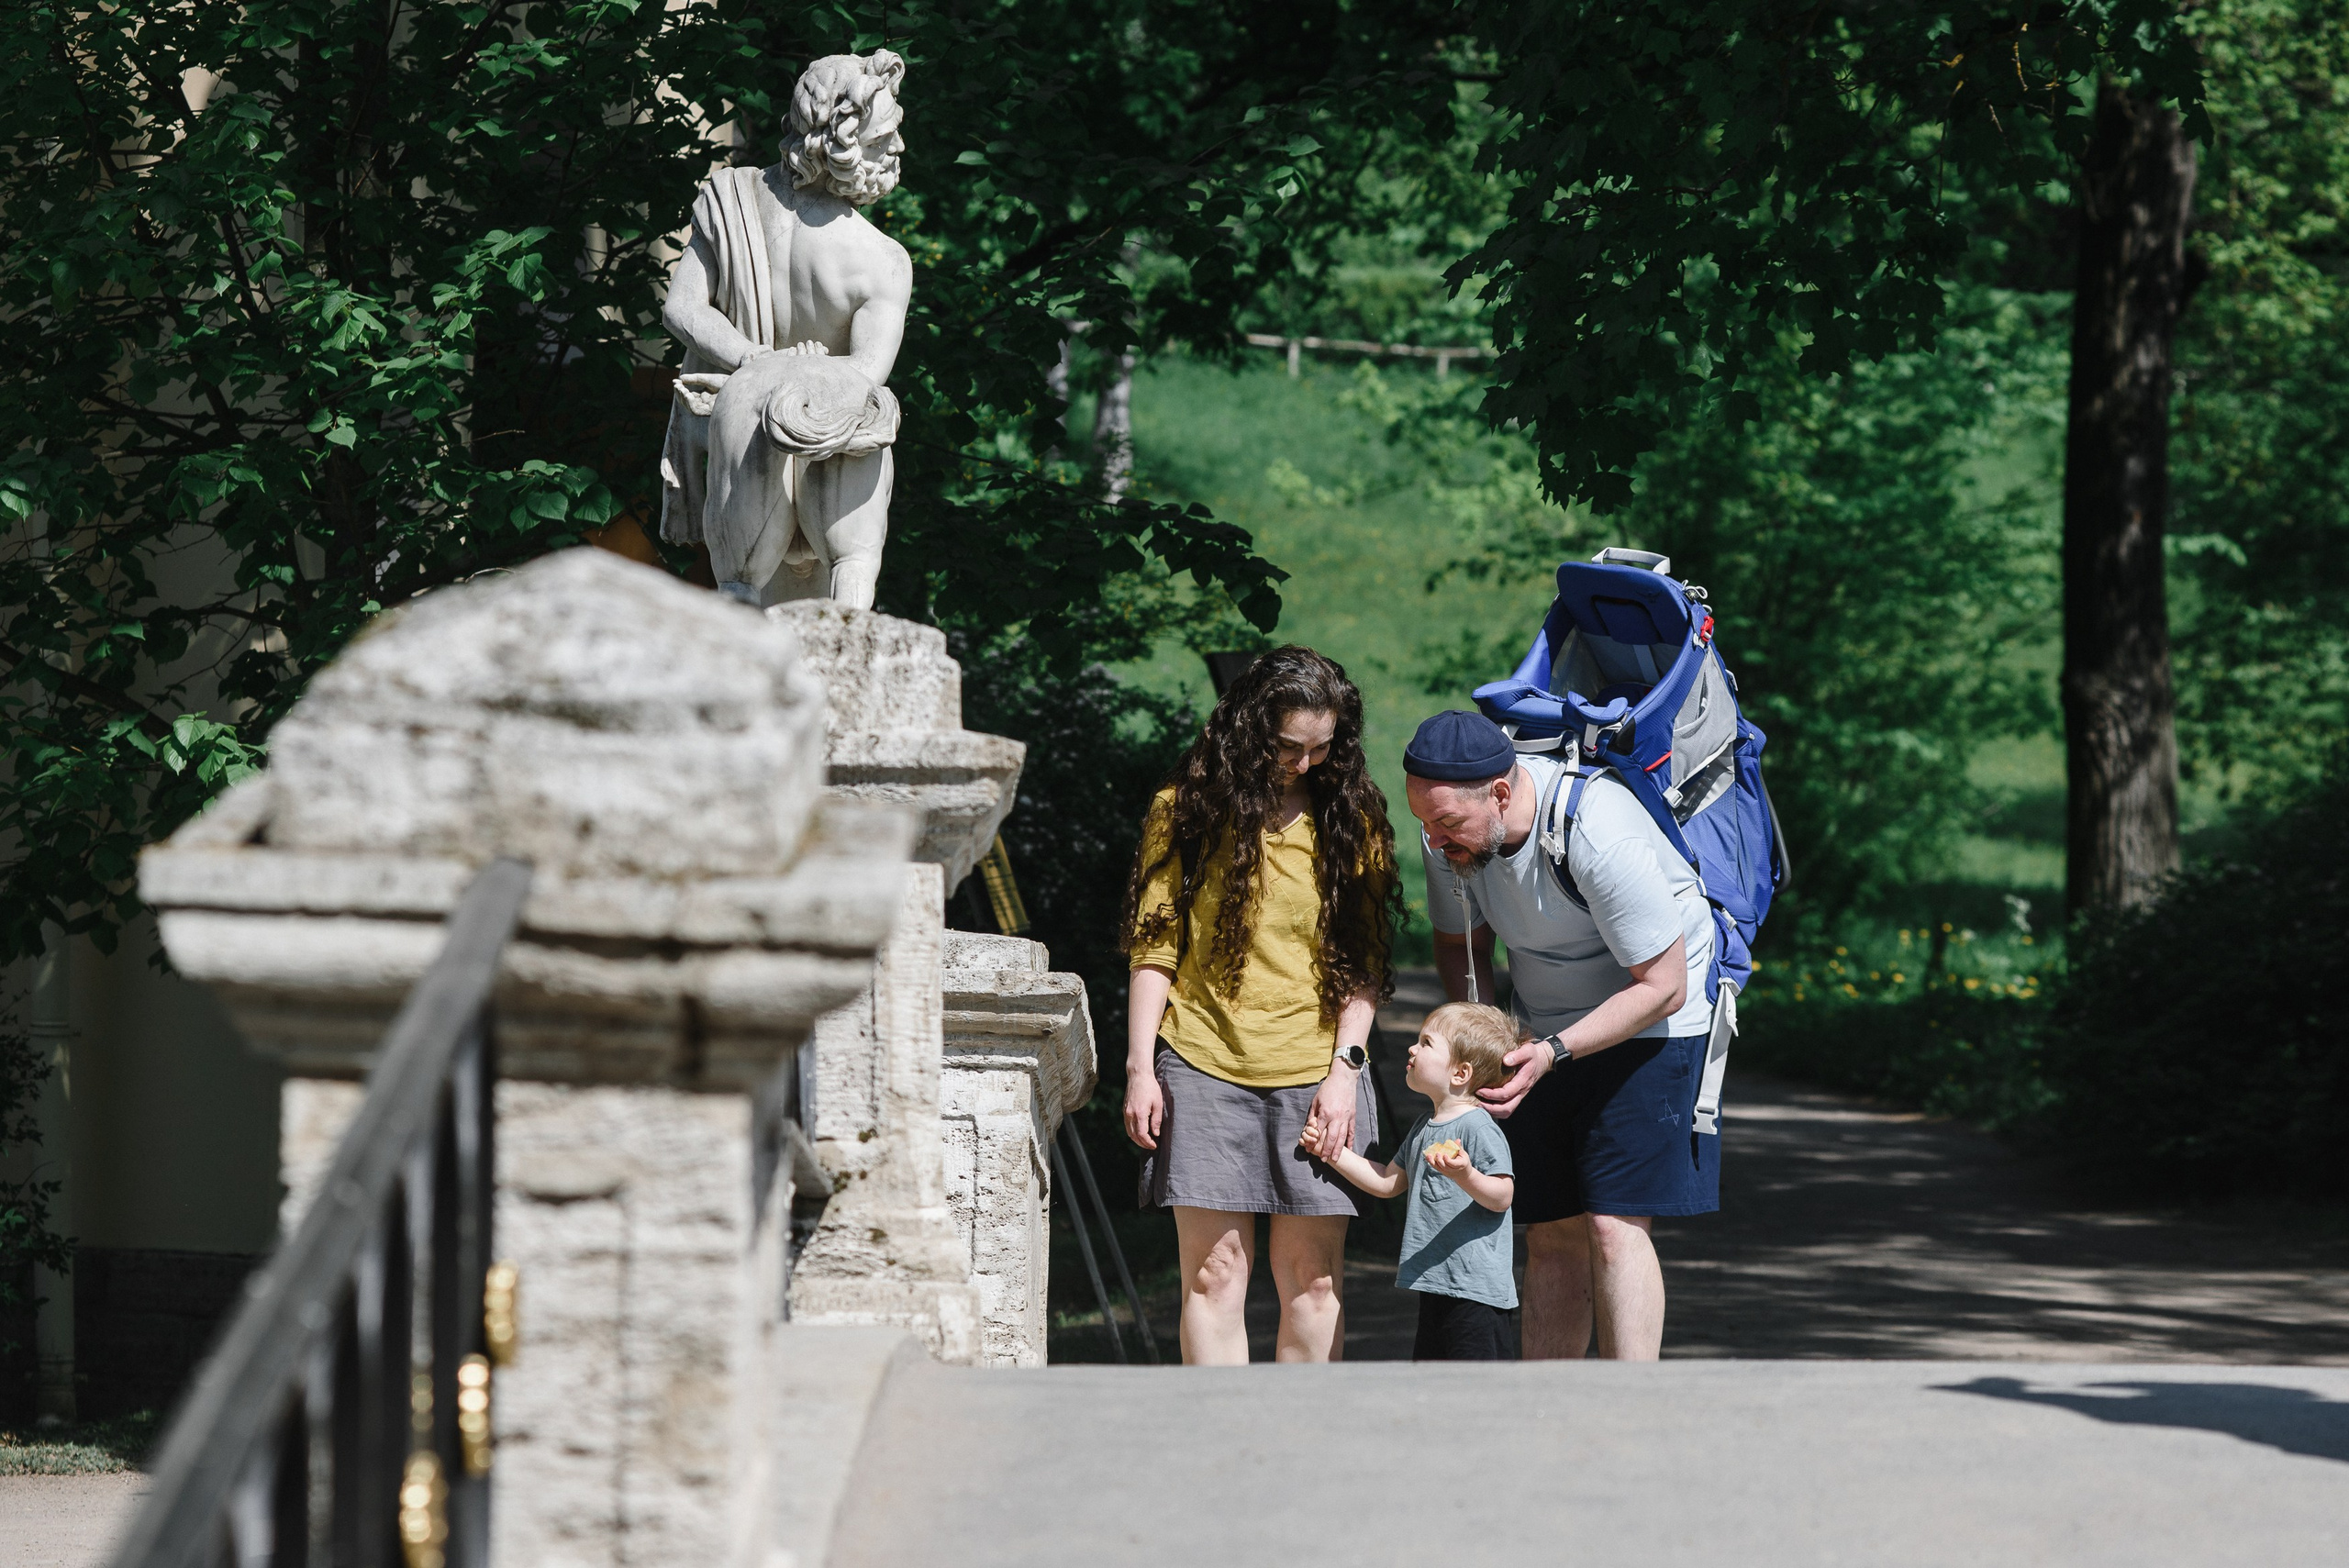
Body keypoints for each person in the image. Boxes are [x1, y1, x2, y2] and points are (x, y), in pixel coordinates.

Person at [1401, 708, 1720, 1362]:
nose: (1433, 840)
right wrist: (1485, 1042)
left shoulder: (1596, 827)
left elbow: (1664, 984)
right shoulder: (1450, 838)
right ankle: (1545, 1402)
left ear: (1499, 792)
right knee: (1548, 1229)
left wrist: (1552, 1051)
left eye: (1446, 823)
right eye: (1423, 823)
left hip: (1653, 1023)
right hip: (1540, 1028)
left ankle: (1629, 1401)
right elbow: (1461, 945)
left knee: (1611, 1221)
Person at [1120, 646, 1403, 1363]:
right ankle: (1223, 1452)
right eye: (1287, 748)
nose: (1306, 764)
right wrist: (1139, 1068)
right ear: (1249, 730)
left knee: (1312, 1281)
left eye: (1322, 747)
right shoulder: (1182, 810)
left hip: (1317, 1074)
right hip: (1202, 1062)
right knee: (1215, 1276)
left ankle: (1301, 1452)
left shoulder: (1352, 818)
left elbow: (1363, 966)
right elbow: (1154, 946)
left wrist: (1346, 1073)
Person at [1301, 1002, 1519, 1362]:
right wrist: (1331, 1152)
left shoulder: (1478, 1127)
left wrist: (1466, 1174)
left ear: (1460, 1074)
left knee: (1480, 1387)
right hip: (1434, 1285)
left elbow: (1502, 1196)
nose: (1412, 1049)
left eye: (1426, 1043)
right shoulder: (1423, 1128)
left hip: (1477, 1293)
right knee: (1434, 1381)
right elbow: (1388, 1182)